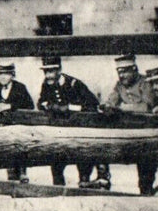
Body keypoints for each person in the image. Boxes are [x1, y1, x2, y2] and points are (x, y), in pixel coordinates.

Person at [36, 56, 109, 189]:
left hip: (79, 130)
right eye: (46, 72)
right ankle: (58, 192)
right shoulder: (46, 84)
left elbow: (92, 105)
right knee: (56, 163)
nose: (48, 75)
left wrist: (69, 108)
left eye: (51, 71)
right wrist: (51, 106)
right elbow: (41, 102)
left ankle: (86, 183)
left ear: (59, 70)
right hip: (60, 131)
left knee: (83, 162)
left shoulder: (74, 84)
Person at [100, 54, 157, 194]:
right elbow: (112, 100)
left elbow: (146, 107)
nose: (122, 75)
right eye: (119, 72)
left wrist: (121, 108)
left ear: (134, 69)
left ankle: (146, 191)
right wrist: (107, 106)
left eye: (125, 71)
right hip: (128, 130)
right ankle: (103, 181)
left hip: (147, 130)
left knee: (145, 168)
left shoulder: (145, 82)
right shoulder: (120, 85)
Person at [0, 63, 34, 181]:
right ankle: (11, 178)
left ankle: (22, 173)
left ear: (12, 75)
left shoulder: (19, 87)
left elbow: (29, 104)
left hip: (17, 127)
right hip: (4, 127)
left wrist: (10, 106)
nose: (3, 77)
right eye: (1, 74)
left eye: (6, 74)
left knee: (19, 151)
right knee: (8, 156)